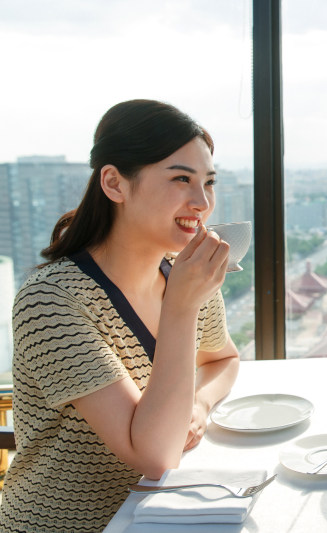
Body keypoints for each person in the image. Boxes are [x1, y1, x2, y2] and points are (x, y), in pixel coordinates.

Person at [0, 100, 241, 532]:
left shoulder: (181, 274)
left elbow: (223, 360)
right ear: (114, 183)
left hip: (151, 518)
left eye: (208, 182)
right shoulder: (51, 301)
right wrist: (182, 307)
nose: (202, 202)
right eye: (181, 179)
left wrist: (199, 404)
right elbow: (155, 456)